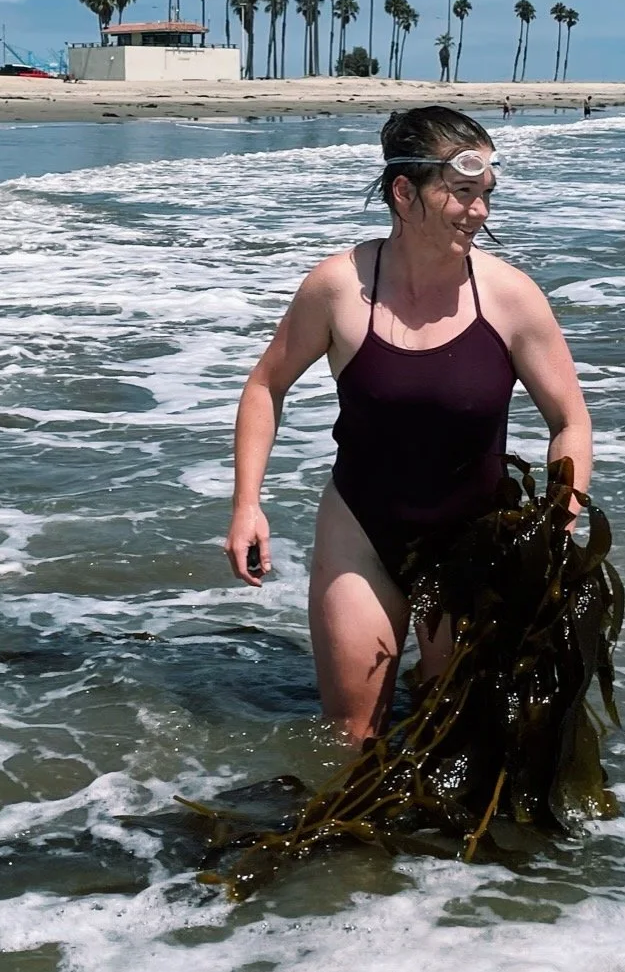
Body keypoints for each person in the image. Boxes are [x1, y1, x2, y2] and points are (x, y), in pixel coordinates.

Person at [223, 107, 593, 743]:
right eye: (461, 193)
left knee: (450, 730)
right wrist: (247, 504)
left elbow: (570, 419)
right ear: (404, 192)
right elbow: (265, 385)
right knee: (350, 736)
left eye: (485, 195)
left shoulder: (511, 297)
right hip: (360, 533)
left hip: (470, 546)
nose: (478, 212)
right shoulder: (337, 287)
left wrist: (559, 522)